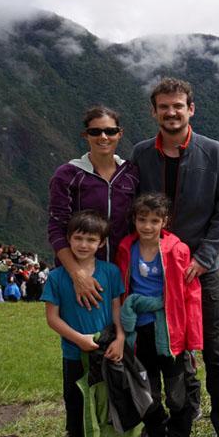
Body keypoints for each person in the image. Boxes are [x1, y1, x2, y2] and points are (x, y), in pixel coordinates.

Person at [131, 78, 219, 437]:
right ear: (154, 112)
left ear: (191, 109)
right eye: (164, 106)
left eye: (178, 105)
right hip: (155, 274)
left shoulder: (213, 153)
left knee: (217, 352)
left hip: (201, 270)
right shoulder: (141, 155)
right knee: (159, 351)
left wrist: (204, 257)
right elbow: (134, 210)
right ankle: (163, 428)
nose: (171, 112)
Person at [116, 193, 202, 437]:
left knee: (177, 393)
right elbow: (121, 289)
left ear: (165, 222)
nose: (148, 226)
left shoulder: (177, 251)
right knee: (148, 392)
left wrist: (192, 337)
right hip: (139, 332)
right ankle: (157, 435)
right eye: (142, 219)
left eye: (154, 221)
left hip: (170, 331)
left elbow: (190, 295)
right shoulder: (126, 249)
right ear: (134, 220)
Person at [41, 210, 126, 437]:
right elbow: (52, 318)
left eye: (91, 239)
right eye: (78, 238)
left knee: (107, 399)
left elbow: (117, 308)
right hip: (74, 353)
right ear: (68, 239)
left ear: (102, 243)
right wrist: (78, 339)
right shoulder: (57, 277)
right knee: (76, 401)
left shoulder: (110, 272)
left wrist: (120, 338)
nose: (83, 245)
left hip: (106, 349)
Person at [48, 106, 138, 308]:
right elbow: (56, 228)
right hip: (80, 273)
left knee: (122, 327)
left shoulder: (131, 174)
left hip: (123, 274)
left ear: (120, 133)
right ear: (85, 135)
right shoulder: (68, 175)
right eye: (95, 132)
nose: (103, 137)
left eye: (110, 131)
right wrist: (78, 275)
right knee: (82, 326)